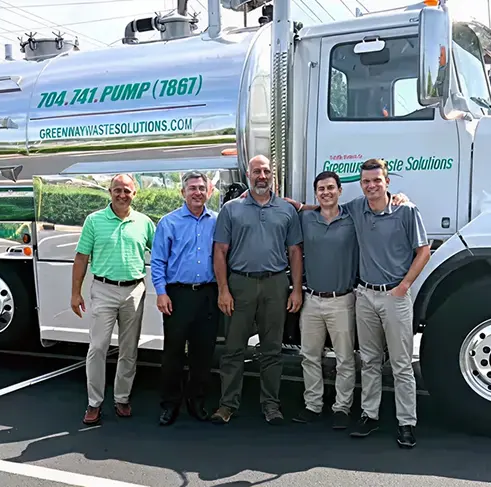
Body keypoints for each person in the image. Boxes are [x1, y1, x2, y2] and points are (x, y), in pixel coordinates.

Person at [211, 154, 304, 426]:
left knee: (272, 349)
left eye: (266, 172)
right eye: (256, 172)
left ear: (272, 175)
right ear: (248, 175)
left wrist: (296, 290)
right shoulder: (231, 209)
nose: (262, 177)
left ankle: (271, 405)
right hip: (240, 284)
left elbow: (295, 252)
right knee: (233, 349)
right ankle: (227, 404)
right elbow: (220, 251)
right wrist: (223, 290)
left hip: (276, 284)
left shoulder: (286, 210)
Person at [344, 158, 430, 449]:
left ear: (387, 182)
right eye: (366, 182)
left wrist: (403, 287)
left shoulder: (406, 210)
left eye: (376, 180)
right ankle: (370, 415)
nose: (371, 186)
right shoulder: (357, 208)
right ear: (361, 184)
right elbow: (324, 208)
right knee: (369, 360)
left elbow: (424, 251)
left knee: (401, 363)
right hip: (365, 296)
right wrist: (292, 204)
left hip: (395, 296)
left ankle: (406, 423)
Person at [70, 173, 156, 426]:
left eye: (127, 190)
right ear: (110, 192)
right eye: (117, 190)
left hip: (134, 291)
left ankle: (122, 398)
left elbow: (161, 253)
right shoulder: (94, 221)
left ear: (134, 194)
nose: (122, 195)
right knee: (98, 347)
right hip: (103, 289)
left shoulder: (144, 223)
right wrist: (75, 293)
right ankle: (94, 403)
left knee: (129, 349)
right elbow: (81, 258)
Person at [150, 171, 220, 426]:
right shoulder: (168, 222)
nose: (197, 192)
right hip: (177, 295)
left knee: (203, 353)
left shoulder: (217, 221)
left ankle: (197, 401)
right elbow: (158, 261)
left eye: (201, 188)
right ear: (183, 192)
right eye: (192, 188)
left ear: (208, 192)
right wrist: (161, 292)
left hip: (208, 294)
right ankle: (170, 404)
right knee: (173, 353)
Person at [290, 170, 358, 430]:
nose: (326, 192)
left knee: (345, 359)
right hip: (312, 299)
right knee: (309, 356)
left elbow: (382, 201)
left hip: (342, 300)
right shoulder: (306, 219)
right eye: (321, 189)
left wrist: (400, 197)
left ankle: (342, 408)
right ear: (315, 193)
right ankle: (313, 405)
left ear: (340, 190)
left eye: (331, 188)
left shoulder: (352, 217)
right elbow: (291, 209)